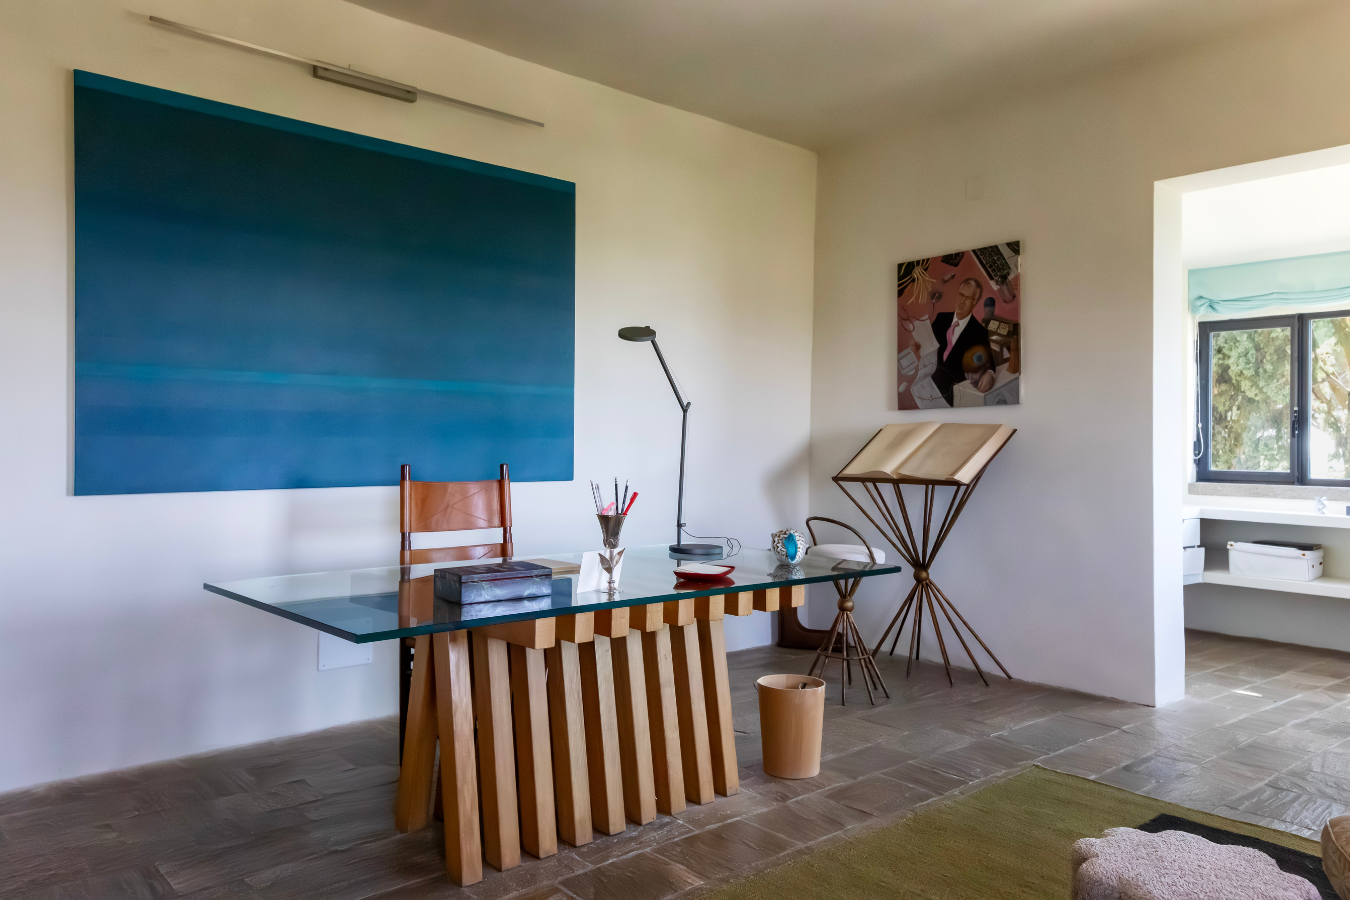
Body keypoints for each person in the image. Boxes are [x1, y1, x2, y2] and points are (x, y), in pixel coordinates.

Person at [909, 278, 992, 405]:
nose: (962, 300)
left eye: (968, 298)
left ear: (974, 302)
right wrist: (917, 345)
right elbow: (929, 342)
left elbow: (989, 360)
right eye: (961, 295)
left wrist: (990, 374)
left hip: (952, 392)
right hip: (929, 379)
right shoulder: (941, 318)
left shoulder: (979, 331)